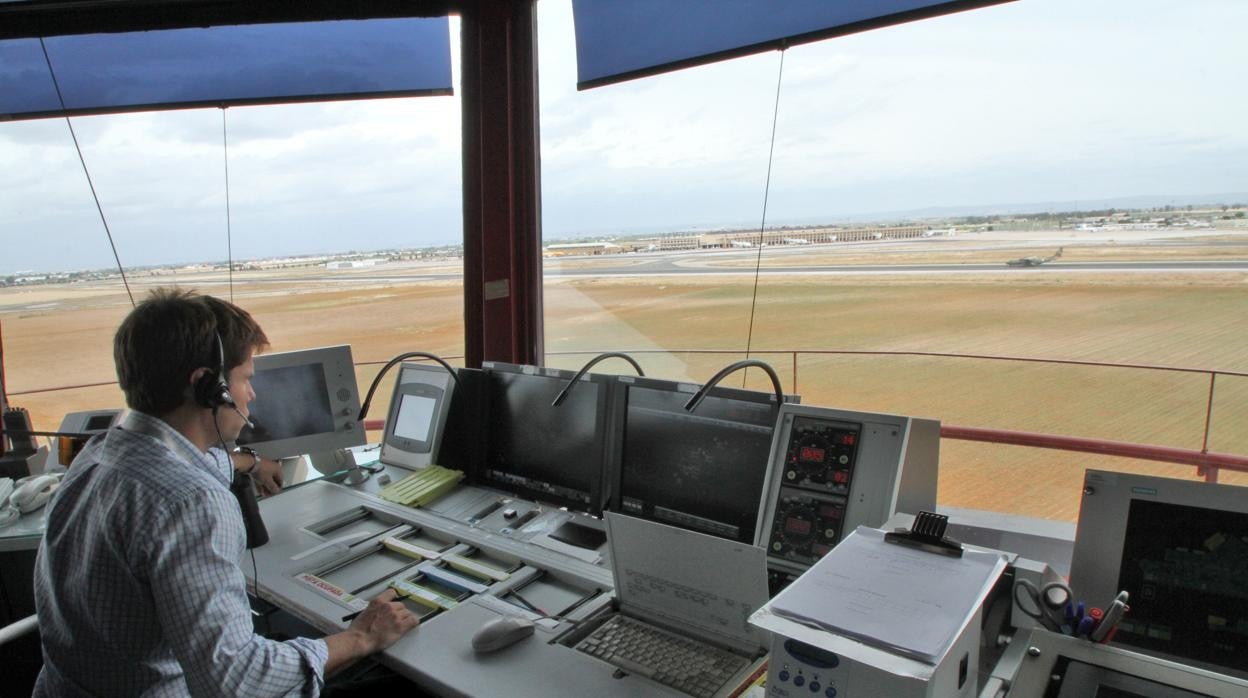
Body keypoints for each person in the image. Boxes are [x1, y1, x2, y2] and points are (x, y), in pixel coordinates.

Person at [33, 288, 419, 696]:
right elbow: (236, 680)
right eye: (246, 379)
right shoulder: (191, 502)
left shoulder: (98, 455)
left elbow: (179, 466)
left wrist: (246, 462)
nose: (252, 394)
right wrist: (360, 637)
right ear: (207, 388)